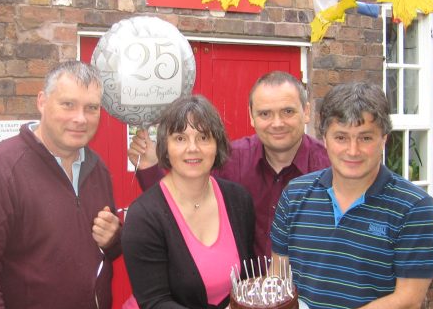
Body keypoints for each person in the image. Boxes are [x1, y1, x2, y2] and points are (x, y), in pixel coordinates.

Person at [0, 61, 122, 309]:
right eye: (68, 104)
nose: (80, 118)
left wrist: (113, 241)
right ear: (42, 102)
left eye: (91, 108)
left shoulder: (98, 170)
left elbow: (96, 252)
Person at [267, 82, 433, 309]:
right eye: (341, 137)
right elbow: (278, 282)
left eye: (365, 137)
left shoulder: (414, 208)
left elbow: (408, 302)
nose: (352, 150)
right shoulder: (295, 194)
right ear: (324, 138)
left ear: (384, 138)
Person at [115, 95, 269, 309]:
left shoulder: (237, 200)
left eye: (203, 137)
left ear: (217, 144)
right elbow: (155, 307)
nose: (192, 148)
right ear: (165, 146)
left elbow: (245, 278)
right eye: (180, 138)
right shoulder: (145, 215)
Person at [128, 71, 330, 258]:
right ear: (251, 116)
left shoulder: (330, 168)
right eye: (265, 114)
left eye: (287, 111)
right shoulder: (230, 161)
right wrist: (150, 168)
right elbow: (179, 203)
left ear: (306, 112)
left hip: (310, 294)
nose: (277, 123)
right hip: (237, 293)